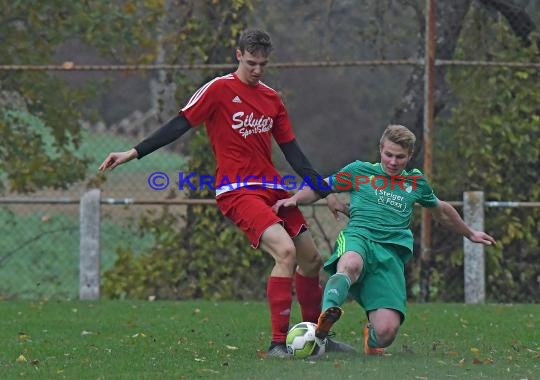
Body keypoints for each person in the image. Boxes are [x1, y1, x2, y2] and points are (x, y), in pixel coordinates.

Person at [98, 29, 354, 358]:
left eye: (263, 64)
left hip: (273, 190)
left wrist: (325, 191)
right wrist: (132, 152)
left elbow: (293, 152)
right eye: (251, 63)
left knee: (311, 259)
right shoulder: (218, 90)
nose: (257, 70)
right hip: (237, 191)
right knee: (285, 253)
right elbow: (178, 125)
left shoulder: (272, 99)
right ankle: (278, 344)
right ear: (238, 55)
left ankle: (317, 336)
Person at [273, 124, 496, 355]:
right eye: (388, 154)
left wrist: (470, 233)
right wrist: (296, 199)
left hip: (390, 255)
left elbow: (442, 211)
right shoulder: (359, 171)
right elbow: (321, 187)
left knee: (387, 332)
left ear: (410, 155)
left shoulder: (416, 183)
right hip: (359, 237)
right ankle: (326, 317)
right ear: (380, 149)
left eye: (400, 157)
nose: (393, 161)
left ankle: (373, 338)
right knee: (350, 264)